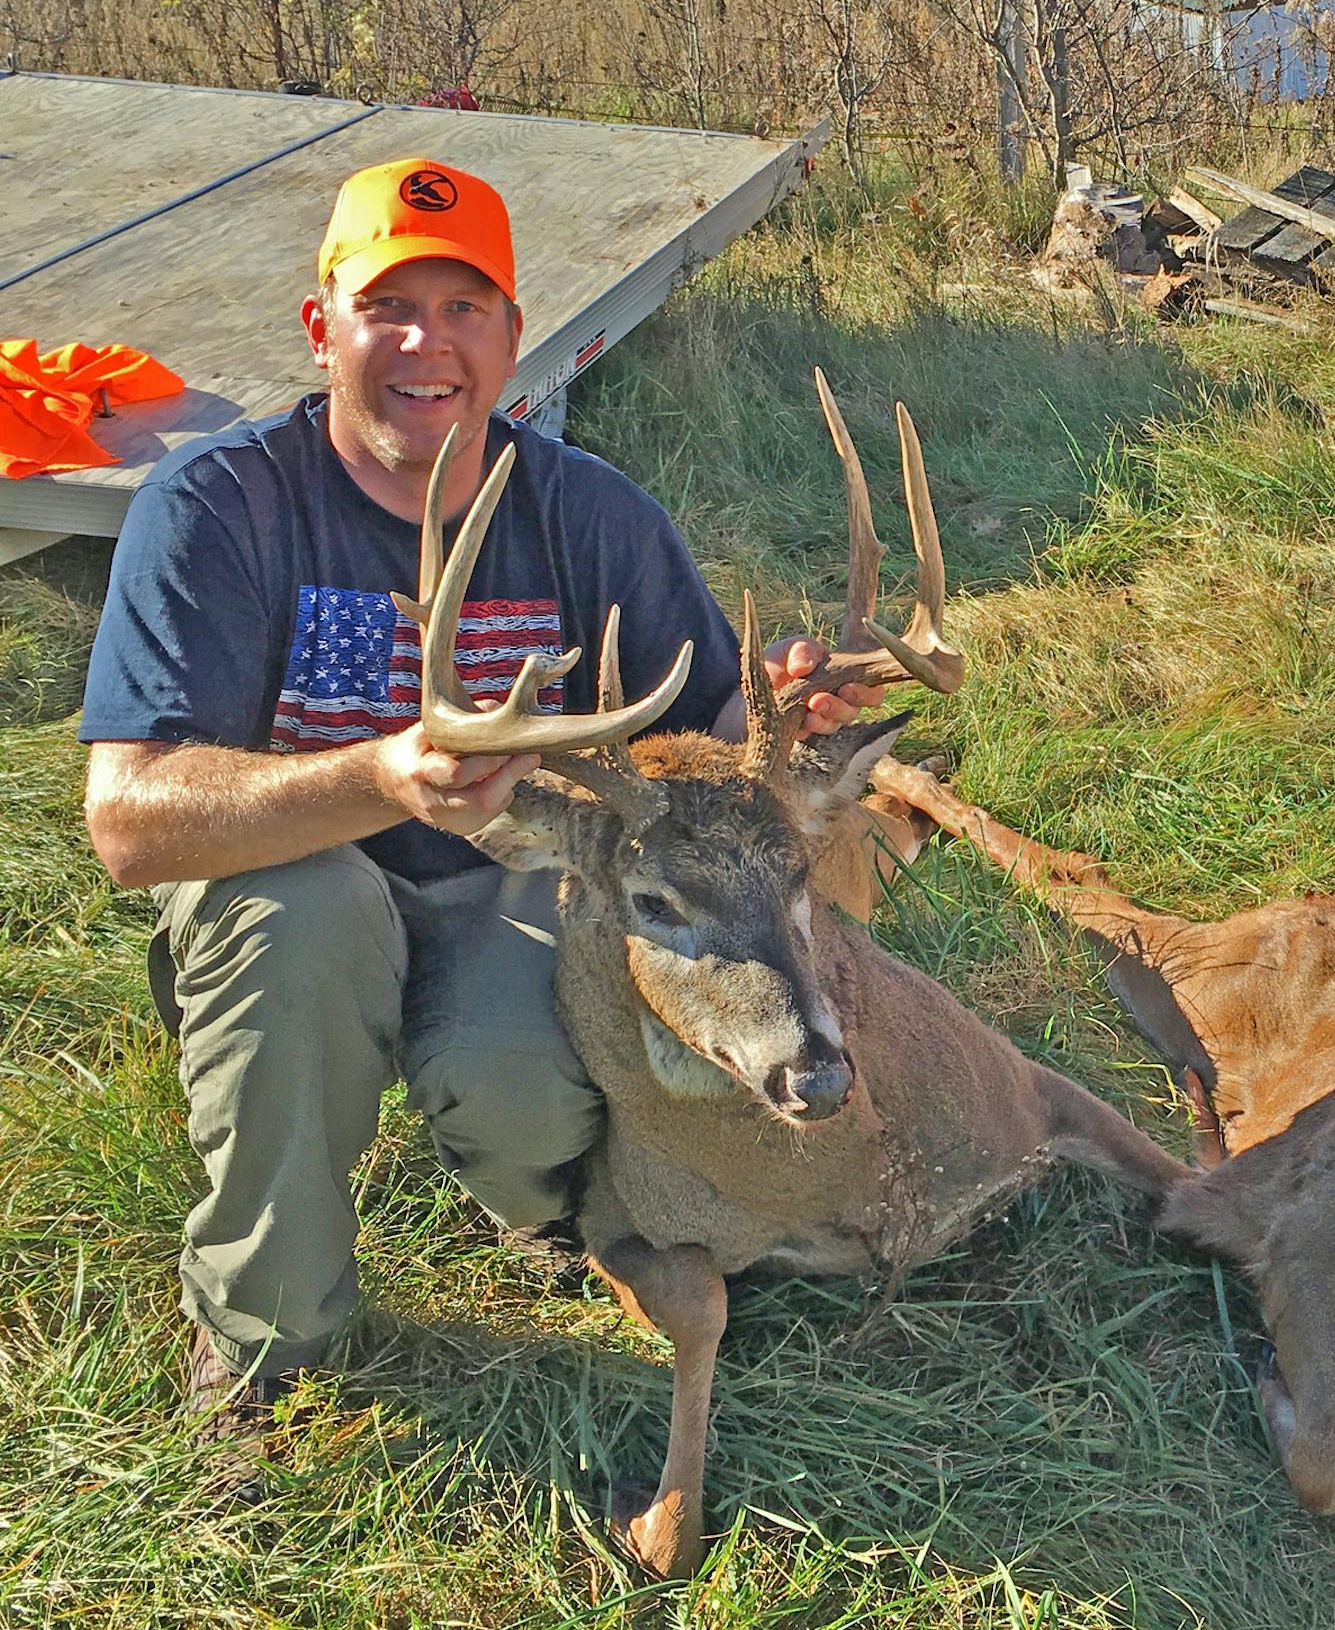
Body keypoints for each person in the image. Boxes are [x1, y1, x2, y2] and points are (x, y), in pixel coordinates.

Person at [80, 156, 878, 1431]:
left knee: (526, 1100)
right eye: (389, 306)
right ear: (319, 327)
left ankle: (538, 1201)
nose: (425, 343)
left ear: (514, 335)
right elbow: (128, 821)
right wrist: (377, 776)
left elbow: (709, 735)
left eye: (463, 308)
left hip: (514, 876)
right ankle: (266, 1331)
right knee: (306, 925)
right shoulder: (218, 507)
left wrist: (784, 725)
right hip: (290, 893)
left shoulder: (587, 511)